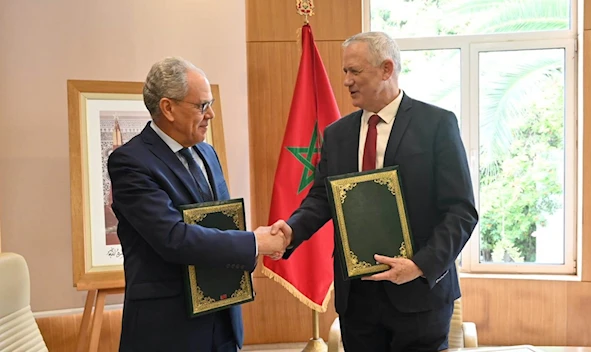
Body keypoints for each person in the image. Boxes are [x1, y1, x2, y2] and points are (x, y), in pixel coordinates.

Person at [270, 32, 479, 351]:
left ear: (386, 69)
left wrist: (420, 265)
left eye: (355, 71)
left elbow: (461, 211)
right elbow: (322, 198)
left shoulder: (437, 124)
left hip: (419, 295)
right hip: (358, 300)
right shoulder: (337, 134)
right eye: (344, 72)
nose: (347, 81)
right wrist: (291, 230)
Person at [108, 57, 288, 352]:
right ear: (168, 108)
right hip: (169, 331)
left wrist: (256, 245)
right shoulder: (131, 162)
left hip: (223, 320)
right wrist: (254, 242)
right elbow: (173, 238)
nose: (211, 115)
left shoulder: (207, 153)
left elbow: (221, 222)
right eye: (202, 105)